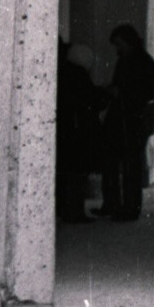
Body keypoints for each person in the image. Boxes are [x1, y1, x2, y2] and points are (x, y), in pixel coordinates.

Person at [99, 23, 154, 222]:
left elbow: (149, 92)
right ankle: (112, 204)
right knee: (111, 162)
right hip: (119, 117)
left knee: (131, 165)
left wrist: (122, 92)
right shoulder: (126, 61)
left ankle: (130, 208)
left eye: (119, 44)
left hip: (133, 118)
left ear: (129, 42)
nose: (117, 48)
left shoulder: (145, 63)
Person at [56, 39, 97, 223]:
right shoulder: (79, 75)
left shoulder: (63, 72)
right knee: (77, 174)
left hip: (67, 129)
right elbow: (89, 99)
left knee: (67, 172)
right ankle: (75, 212)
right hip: (78, 130)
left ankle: (67, 210)